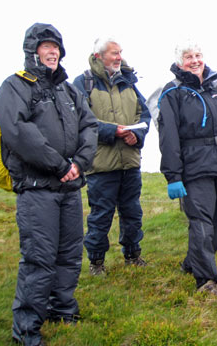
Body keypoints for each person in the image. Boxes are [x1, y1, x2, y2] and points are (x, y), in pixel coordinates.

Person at [0, 23, 98, 345]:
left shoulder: (69, 91)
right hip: (37, 188)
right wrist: (60, 165)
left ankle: (62, 308)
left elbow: (90, 126)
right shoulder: (14, 87)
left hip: (68, 188)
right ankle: (25, 329)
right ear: (32, 51)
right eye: (45, 47)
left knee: (68, 253)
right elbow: (19, 132)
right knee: (39, 258)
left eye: (56, 47)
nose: (52, 52)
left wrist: (79, 163)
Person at [157, 39, 217, 298]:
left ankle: (192, 261)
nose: (195, 60)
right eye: (188, 57)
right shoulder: (172, 92)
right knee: (201, 223)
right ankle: (207, 281)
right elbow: (169, 137)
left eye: (198, 55)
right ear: (180, 62)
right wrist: (173, 176)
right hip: (194, 167)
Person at [73, 38, 151, 275]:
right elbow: (79, 120)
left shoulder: (128, 81)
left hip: (129, 162)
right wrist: (112, 131)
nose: (119, 57)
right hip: (100, 165)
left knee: (132, 212)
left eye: (120, 53)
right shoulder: (83, 83)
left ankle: (133, 255)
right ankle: (97, 263)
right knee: (101, 216)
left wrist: (136, 136)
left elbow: (144, 114)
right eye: (114, 53)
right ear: (99, 56)